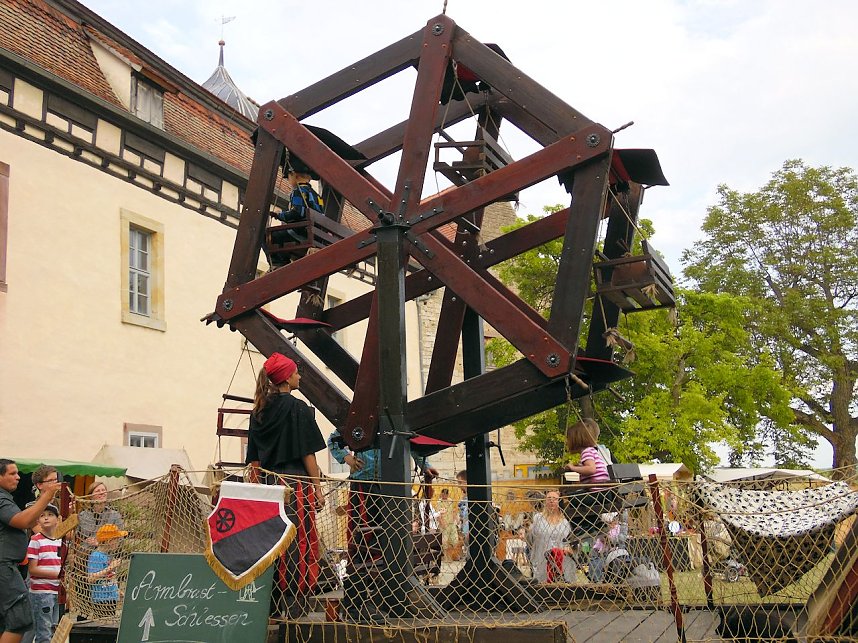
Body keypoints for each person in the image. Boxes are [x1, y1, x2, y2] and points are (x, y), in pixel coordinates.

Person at [246, 353, 326, 614]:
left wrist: (257, 491)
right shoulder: (297, 408)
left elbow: (255, 462)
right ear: (287, 378)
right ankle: (294, 601)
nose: (299, 376)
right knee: (299, 539)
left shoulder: (258, 410)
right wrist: (318, 488)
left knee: (270, 540)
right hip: (296, 485)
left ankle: (268, 601)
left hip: (269, 485)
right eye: (296, 373)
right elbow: (307, 454)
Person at [0, 459, 62, 643]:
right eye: (12, 473)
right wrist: (47, 496)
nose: (18, 477)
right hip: (4, 568)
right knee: (21, 620)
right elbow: (24, 522)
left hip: (8, 567)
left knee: (5, 622)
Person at [25, 505, 61, 643]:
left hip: (56, 591)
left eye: (50, 514)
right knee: (43, 632)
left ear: (57, 519)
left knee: (54, 628)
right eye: (42, 515)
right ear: (37, 521)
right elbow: (32, 569)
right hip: (41, 592)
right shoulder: (36, 540)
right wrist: (56, 574)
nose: (46, 517)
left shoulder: (60, 541)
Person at [527, 489, 576, 583]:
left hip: (564, 560)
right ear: (545, 501)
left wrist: (571, 549)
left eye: (555, 498)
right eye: (549, 498)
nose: (551, 500)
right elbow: (530, 538)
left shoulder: (566, 520)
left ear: (559, 501)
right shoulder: (538, 518)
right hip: (543, 559)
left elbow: (573, 540)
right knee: (543, 587)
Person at [86, 524, 126, 617]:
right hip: (101, 600)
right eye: (116, 539)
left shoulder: (106, 556)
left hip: (111, 598)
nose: (118, 542)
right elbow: (91, 578)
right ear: (109, 541)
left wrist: (117, 591)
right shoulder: (96, 556)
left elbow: (110, 578)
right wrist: (110, 567)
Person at [77, 482, 124, 549]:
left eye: (103, 490)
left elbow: (120, 540)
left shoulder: (115, 516)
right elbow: (76, 537)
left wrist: (99, 543)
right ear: (91, 496)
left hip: (107, 555)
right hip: (84, 555)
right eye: (97, 491)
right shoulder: (82, 515)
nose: (101, 493)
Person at [435, 488, 459, 561]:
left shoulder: (450, 501)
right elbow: (438, 515)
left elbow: (454, 510)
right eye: (443, 493)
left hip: (451, 523)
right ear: (441, 494)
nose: (444, 495)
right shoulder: (439, 502)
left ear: (447, 494)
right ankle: (446, 557)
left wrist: (455, 519)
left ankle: (450, 555)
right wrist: (442, 523)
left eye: (446, 494)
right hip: (444, 524)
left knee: (454, 540)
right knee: (444, 542)